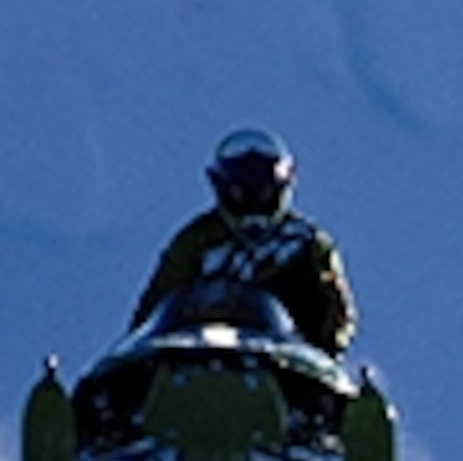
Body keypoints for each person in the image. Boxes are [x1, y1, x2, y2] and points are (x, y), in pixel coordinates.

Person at [131, 127, 357, 355]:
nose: (253, 208)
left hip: (288, 362)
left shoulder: (307, 243)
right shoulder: (195, 242)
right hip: (199, 359)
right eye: (240, 195)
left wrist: (326, 351)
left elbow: (337, 312)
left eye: (264, 195)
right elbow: (153, 310)